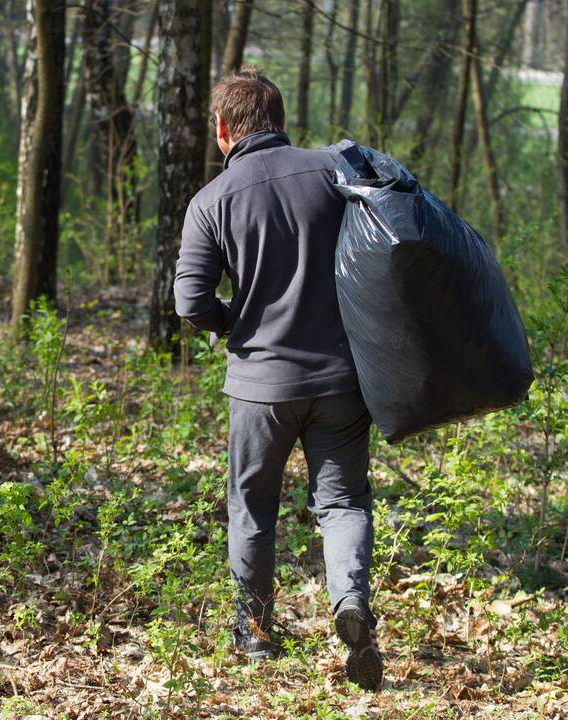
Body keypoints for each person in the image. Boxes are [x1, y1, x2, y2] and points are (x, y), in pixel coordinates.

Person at [173, 67, 383, 691]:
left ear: (221, 129)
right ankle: (348, 601)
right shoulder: (334, 173)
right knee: (342, 502)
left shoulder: (211, 201)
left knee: (253, 506)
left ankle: (255, 635)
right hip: (342, 382)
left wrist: (238, 322)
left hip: (260, 387)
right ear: (281, 118)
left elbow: (190, 302)